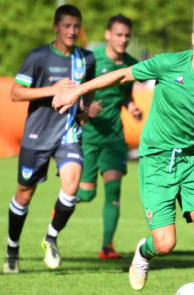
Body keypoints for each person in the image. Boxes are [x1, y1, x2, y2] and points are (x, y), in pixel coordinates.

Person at [52, 14, 194, 295]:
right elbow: (121, 75)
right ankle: (145, 252)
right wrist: (77, 91)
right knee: (165, 243)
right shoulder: (169, 64)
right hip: (157, 160)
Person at [3, 4, 96, 273]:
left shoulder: (86, 58)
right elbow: (16, 93)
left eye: (76, 26)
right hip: (38, 134)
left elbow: (88, 87)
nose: (72, 31)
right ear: (56, 27)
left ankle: (51, 237)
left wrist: (84, 109)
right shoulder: (39, 56)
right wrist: (52, 90)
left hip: (68, 133)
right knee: (24, 194)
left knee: (72, 184)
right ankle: (12, 248)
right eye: (67, 26)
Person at [77, 14, 142, 260]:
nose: (123, 39)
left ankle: (107, 247)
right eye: (119, 34)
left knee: (113, 192)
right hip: (90, 137)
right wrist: (85, 109)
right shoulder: (93, 61)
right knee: (86, 195)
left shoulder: (131, 65)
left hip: (114, 138)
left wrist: (132, 107)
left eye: (127, 35)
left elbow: (125, 95)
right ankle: (60, 210)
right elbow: (76, 91)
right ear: (108, 35)